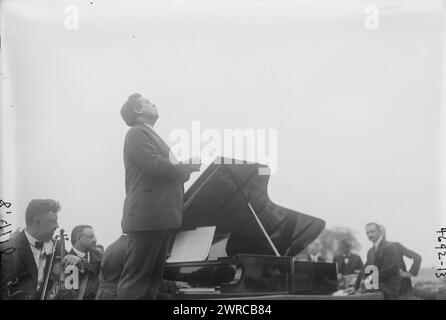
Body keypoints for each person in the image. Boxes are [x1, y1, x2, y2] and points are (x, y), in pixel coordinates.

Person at [117, 93, 200, 300]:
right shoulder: (137, 133)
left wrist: (183, 167)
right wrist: (187, 165)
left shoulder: (147, 134)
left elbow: (165, 169)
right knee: (137, 282)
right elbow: (155, 165)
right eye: (148, 102)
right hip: (148, 217)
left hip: (157, 217)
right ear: (137, 110)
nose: (154, 104)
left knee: (150, 283)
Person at [0, 199, 83, 300]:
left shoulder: (56, 246)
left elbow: (85, 270)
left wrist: (78, 261)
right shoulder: (7, 249)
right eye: (53, 221)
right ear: (37, 222)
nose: (57, 226)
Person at [96, 234, 188, 300]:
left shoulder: (112, 246)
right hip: (120, 295)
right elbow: (144, 280)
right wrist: (174, 285)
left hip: (103, 295)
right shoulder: (135, 248)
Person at [355, 222, 401, 300]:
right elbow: (365, 269)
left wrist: (368, 280)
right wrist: (355, 286)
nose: (369, 235)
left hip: (389, 287)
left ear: (379, 232)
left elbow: (389, 270)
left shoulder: (390, 247)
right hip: (375, 285)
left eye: (372, 232)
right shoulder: (370, 251)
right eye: (367, 233)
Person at [379, 226, 422, 298]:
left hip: (402, 286)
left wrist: (410, 273)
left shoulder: (395, 246)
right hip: (386, 287)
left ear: (383, 234)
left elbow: (417, 257)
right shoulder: (374, 252)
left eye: (380, 232)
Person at [69, 225, 103, 299]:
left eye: (94, 237)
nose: (95, 240)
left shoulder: (100, 256)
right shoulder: (65, 260)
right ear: (78, 238)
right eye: (90, 237)